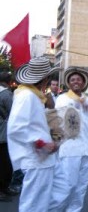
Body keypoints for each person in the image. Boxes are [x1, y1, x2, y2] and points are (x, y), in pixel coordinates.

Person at [7, 57, 59, 212]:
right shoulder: (27, 96)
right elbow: (16, 127)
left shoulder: (32, 95)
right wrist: (42, 143)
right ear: (45, 79)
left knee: (39, 201)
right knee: (33, 202)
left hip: (40, 159)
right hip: (35, 158)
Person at [48, 67, 88, 212]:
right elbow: (59, 120)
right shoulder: (63, 98)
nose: (76, 82)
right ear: (69, 83)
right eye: (73, 80)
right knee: (67, 185)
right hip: (70, 148)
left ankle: (74, 210)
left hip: (86, 149)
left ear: (83, 82)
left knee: (81, 187)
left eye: (78, 79)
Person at [0, 70, 14, 202]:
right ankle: (3, 189)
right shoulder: (6, 95)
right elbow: (14, 113)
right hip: (3, 134)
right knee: (5, 164)